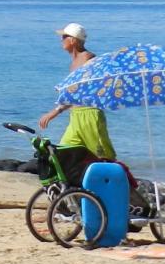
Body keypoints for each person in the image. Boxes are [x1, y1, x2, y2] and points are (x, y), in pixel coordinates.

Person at [37, 22, 116, 164]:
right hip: (76, 116)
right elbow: (73, 93)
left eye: (64, 37)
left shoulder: (88, 58)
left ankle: (125, 183)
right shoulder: (74, 62)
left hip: (90, 114)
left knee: (103, 157)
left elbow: (83, 89)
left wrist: (55, 111)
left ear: (73, 40)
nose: (61, 40)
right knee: (63, 153)